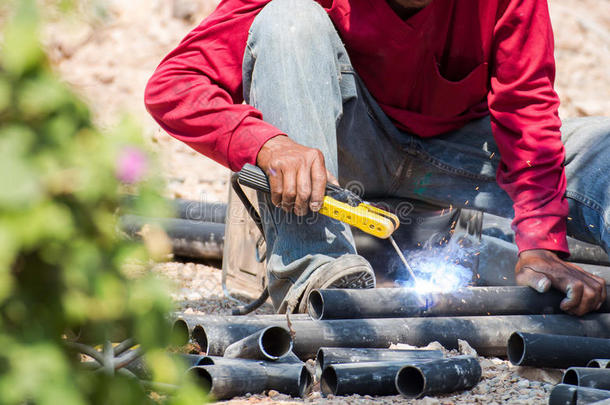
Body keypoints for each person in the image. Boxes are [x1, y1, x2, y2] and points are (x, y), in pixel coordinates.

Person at [145, 0, 609, 315]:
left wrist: (540, 246)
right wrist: (267, 144)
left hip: (458, 157)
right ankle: (317, 273)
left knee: (600, 149)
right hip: (338, 156)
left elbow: (527, 112)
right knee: (288, 20)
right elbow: (174, 85)